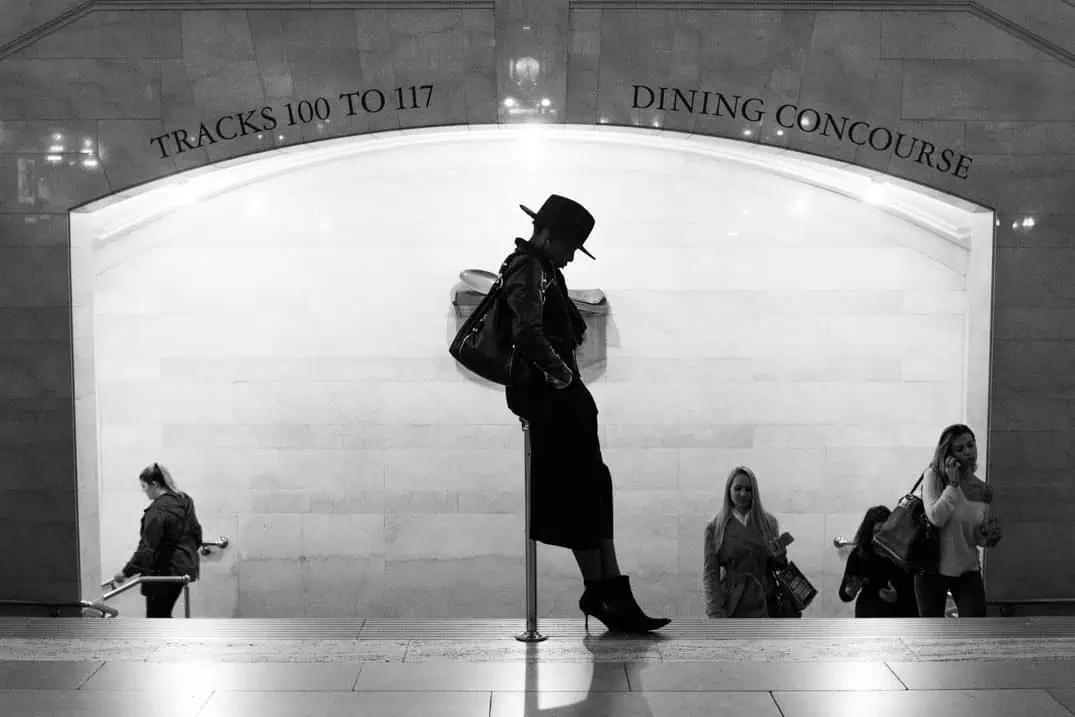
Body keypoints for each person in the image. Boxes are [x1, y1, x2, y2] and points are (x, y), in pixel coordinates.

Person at [502, 194, 669, 634]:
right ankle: (601, 591)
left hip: (567, 405)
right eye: (571, 246)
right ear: (549, 235)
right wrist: (560, 376)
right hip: (556, 406)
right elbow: (527, 334)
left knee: (593, 490)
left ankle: (610, 589)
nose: (573, 257)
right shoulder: (527, 269)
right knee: (579, 496)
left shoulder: (544, 271)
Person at [916, 424, 1002, 618]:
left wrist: (988, 537)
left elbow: (975, 536)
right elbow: (936, 517)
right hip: (932, 569)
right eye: (960, 449)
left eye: (971, 445)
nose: (968, 452)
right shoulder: (934, 477)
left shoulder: (983, 490)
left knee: (975, 627)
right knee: (932, 633)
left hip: (967, 568)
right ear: (949, 454)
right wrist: (953, 485)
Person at [112, 463, 203, 618]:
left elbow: (147, 548)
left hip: (162, 572)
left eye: (144, 487)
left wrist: (125, 572)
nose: (144, 492)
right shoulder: (185, 500)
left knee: (156, 619)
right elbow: (196, 534)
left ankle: (167, 643)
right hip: (183, 569)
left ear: (154, 484)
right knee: (163, 615)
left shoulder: (157, 511)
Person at [703, 466, 791, 618]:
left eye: (748, 489)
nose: (743, 493)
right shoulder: (715, 527)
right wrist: (714, 611)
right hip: (733, 602)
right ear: (728, 490)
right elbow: (711, 575)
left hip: (766, 598)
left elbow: (776, 567)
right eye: (738, 488)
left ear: (754, 492)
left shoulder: (768, 522)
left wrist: (780, 558)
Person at [839, 505, 919, 617]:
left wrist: (898, 597)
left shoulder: (902, 554)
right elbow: (844, 595)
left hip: (900, 614)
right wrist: (850, 591)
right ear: (869, 533)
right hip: (868, 612)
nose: (880, 537)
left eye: (884, 532)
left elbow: (918, 594)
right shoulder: (859, 555)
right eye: (876, 532)